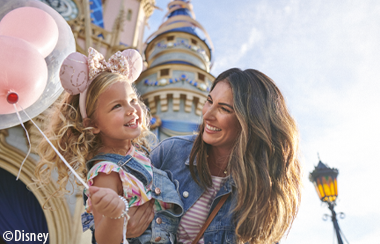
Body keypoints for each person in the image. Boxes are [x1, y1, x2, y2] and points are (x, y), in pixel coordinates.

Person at [129, 68, 302, 244]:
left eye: (224, 109)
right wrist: (122, 224)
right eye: (209, 101)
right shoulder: (171, 152)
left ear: (249, 122)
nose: (208, 115)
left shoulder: (262, 189)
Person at [34, 48, 183, 244]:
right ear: (93, 125)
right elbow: (105, 239)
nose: (131, 110)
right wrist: (116, 213)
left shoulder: (138, 155)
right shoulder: (106, 171)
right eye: (117, 106)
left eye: (132, 100)